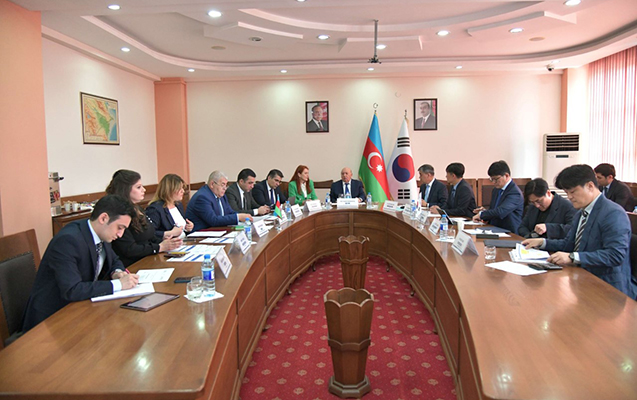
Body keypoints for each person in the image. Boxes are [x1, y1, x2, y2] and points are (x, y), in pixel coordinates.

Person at [22, 195, 140, 332]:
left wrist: (117, 272)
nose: (120, 234)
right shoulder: (68, 240)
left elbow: (114, 260)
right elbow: (72, 290)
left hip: (80, 309)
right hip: (51, 320)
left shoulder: (100, 233)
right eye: (120, 227)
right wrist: (119, 284)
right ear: (103, 218)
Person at [523, 165, 636, 298]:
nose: (569, 197)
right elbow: (569, 244)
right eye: (567, 192)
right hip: (582, 281)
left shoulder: (613, 213)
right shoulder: (581, 213)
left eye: (573, 192)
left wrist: (572, 257)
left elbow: (615, 255)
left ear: (590, 186)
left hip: (608, 288)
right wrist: (543, 242)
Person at [106, 170, 182, 267]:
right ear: (125, 189)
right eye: (138, 187)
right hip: (132, 264)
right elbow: (129, 249)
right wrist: (159, 247)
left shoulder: (138, 208)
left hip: (149, 258)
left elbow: (150, 236)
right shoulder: (120, 214)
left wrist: (167, 243)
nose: (144, 190)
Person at [185, 170, 252, 231]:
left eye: (226, 185)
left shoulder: (221, 195)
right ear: (212, 184)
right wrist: (238, 217)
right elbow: (213, 220)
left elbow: (229, 212)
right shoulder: (202, 197)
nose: (225, 188)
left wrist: (241, 216)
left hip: (217, 231)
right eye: (222, 185)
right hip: (200, 234)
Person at [472, 160, 524, 233]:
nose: (493, 182)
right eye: (491, 179)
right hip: (493, 229)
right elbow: (495, 210)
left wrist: (481, 215)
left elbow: (501, 212)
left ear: (506, 176)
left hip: (509, 232)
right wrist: (484, 212)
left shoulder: (515, 193)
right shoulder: (496, 190)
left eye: (496, 179)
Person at [145, 174, 194, 240]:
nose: (183, 191)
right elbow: (150, 234)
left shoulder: (178, 204)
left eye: (182, 188)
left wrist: (187, 227)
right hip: (169, 244)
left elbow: (181, 229)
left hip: (183, 241)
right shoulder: (155, 209)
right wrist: (169, 233)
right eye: (179, 189)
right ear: (169, 190)